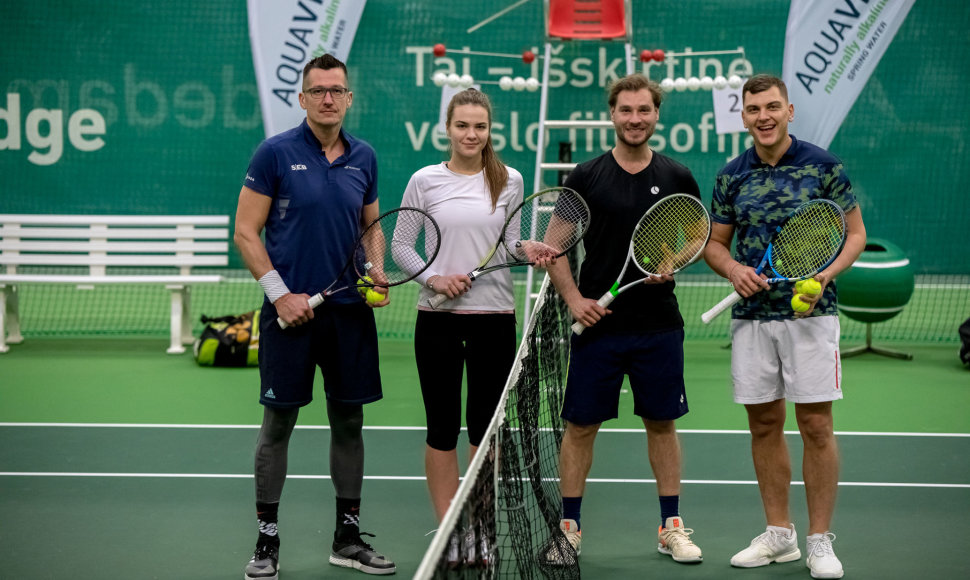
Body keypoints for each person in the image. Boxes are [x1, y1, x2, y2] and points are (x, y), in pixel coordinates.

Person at [234, 54, 395, 578]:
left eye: (338, 90)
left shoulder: (364, 156)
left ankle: (347, 538)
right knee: (278, 423)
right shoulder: (275, 153)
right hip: (289, 314)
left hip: (348, 314)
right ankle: (266, 540)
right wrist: (281, 296)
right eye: (319, 90)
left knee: (350, 421)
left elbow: (371, 226)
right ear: (302, 99)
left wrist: (376, 269)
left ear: (349, 98)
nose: (329, 98)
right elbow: (245, 231)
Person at [703, 74, 866, 580]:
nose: (763, 116)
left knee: (816, 425)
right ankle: (780, 535)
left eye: (772, 107)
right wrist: (732, 269)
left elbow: (855, 235)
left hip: (811, 316)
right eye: (754, 109)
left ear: (789, 111)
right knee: (764, 425)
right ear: (744, 116)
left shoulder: (823, 167)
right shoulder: (732, 175)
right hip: (752, 320)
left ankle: (819, 541)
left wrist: (824, 275)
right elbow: (714, 243)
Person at [544, 74, 704, 565]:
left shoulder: (677, 176)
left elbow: (700, 232)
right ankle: (569, 529)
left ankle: (671, 526)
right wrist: (573, 301)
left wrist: (674, 260)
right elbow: (554, 248)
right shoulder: (585, 177)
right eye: (626, 110)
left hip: (658, 324)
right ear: (612, 114)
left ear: (657, 115)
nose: (635, 119)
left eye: (644, 110)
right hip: (598, 326)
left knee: (662, 424)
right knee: (580, 427)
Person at [399, 88, 529, 565]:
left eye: (480, 126)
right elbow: (401, 246)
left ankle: (481, 527)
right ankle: (451, 530)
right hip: (436, 321)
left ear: (489, 130)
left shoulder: (509, 180)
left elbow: (509, 246)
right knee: (441, 428)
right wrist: (434, 277)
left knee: (484, 431)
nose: (471, 134)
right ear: (448, 129)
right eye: (462, 125)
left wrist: (527, 250)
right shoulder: (425, 180)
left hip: (495, 320)